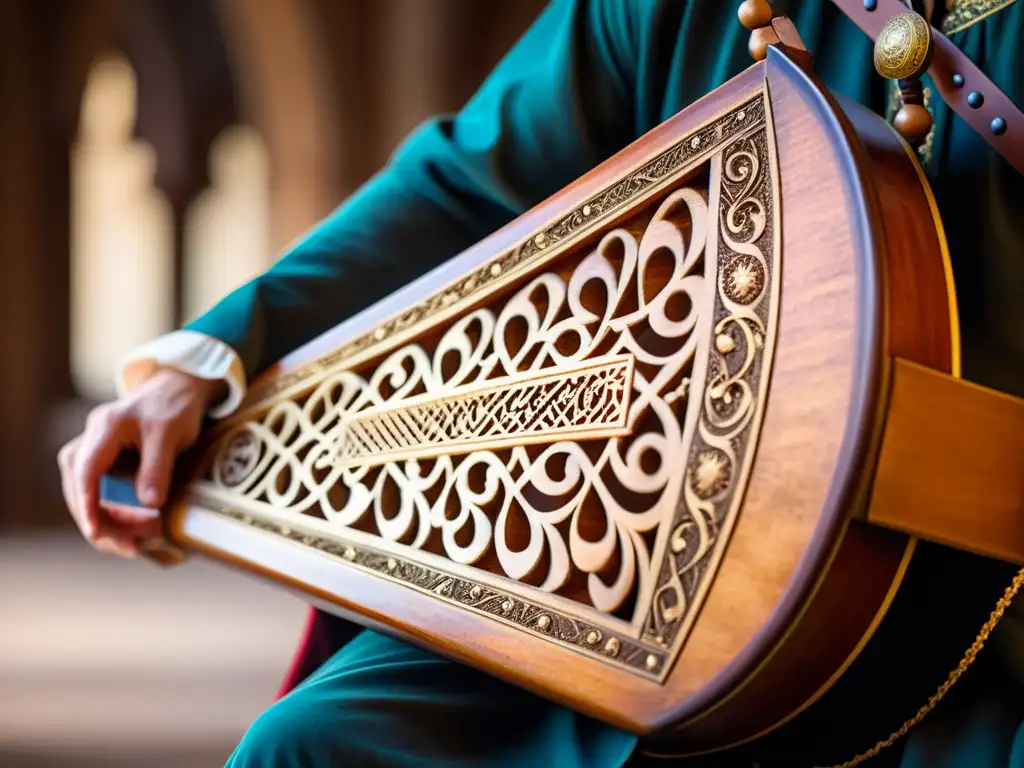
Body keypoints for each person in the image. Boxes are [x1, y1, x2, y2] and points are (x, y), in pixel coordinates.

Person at [57, 1, 1024, 765]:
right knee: (315, 744)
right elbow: (467, 184)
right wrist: (208, 356)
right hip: (660, 589)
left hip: (996, 626)